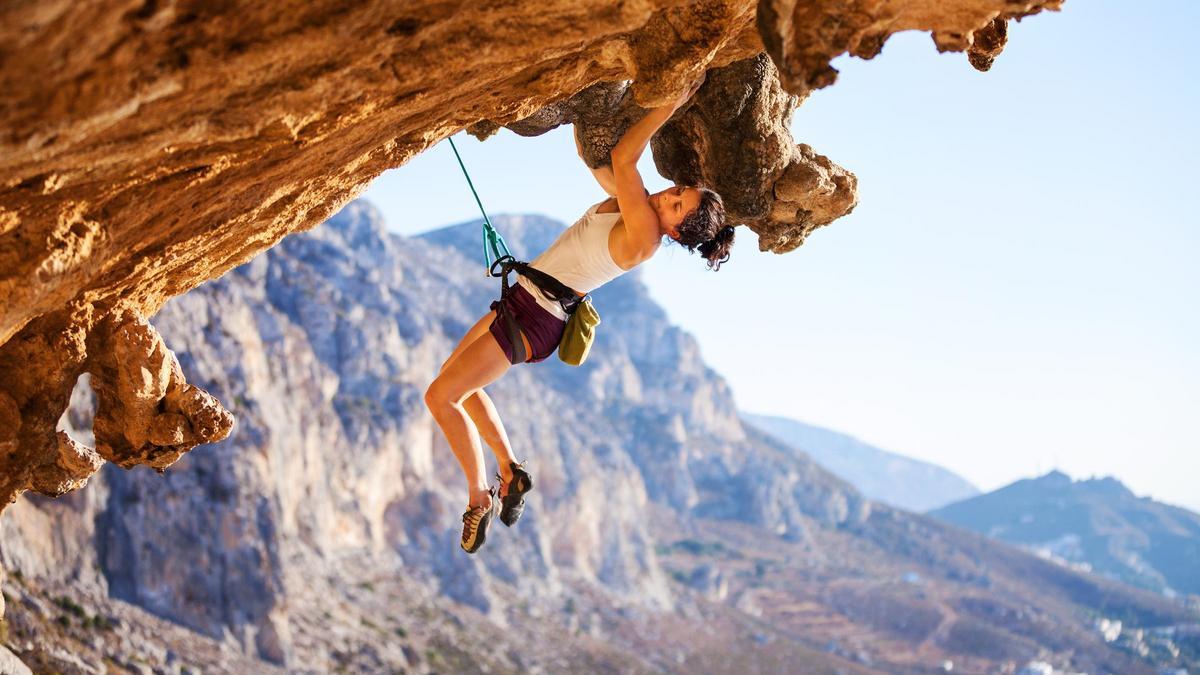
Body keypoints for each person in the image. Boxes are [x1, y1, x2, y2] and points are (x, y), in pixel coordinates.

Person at [424, 76, 736, 554]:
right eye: (678, 192)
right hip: (526, 302)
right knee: (457, 383)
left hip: (535, 318)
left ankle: (478, 497)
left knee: (441, 396)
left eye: (676, 206)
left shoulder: (644, 239)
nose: (668, 196)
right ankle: (510, 472)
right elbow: (601, 163)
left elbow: (624, 158)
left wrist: (673, 98)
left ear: (674, 233)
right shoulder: (636, 208)